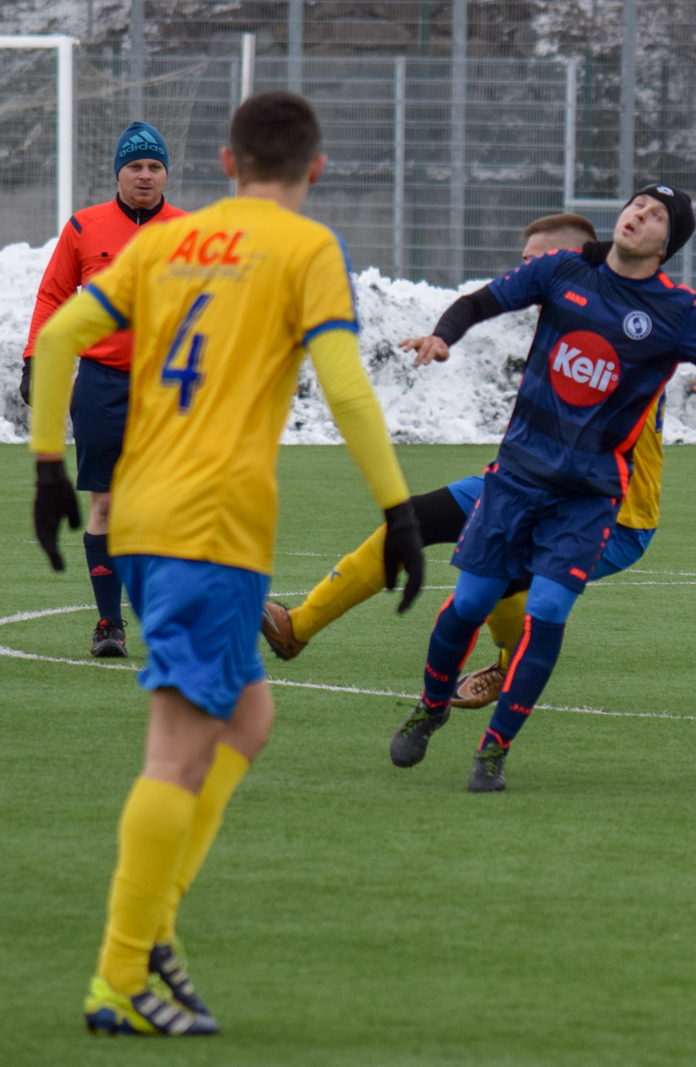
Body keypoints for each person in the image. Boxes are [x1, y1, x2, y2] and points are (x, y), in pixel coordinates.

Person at [29, 91, 423, 1036]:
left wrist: (48, 467)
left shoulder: (167, 241)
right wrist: (397, 507)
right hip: (208, 526)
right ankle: (120, 973)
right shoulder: (306, 248)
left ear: (224, 163)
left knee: (247, 717)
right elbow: (345, 387)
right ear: (315, 169)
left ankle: (153, 932)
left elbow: (60, 336)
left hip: (146, 513)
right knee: (176, 750)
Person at [260, 212, 696, 710]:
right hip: (529, 487)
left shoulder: (626, 325)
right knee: (415, 518)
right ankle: (297, 627)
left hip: (614, 515)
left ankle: (507, 665)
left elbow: (688, 343)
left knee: (502, 570)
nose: (524, 274)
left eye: (534, 262)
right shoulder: (567, 315)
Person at [388, 183, 696, 792]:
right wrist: (442, 335)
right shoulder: (562, 271)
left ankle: (493, 750)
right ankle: (431, 708)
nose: (639, 214)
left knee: (547, 611)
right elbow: (479, 302)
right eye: (638, 204)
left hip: (588, 497)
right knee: (472, 603)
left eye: (656, 215)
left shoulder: (676, 310)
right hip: (515, 478)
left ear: (666, 245)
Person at [21, 122, 187, 657]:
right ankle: (109, 624)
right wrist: (35, 359)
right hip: (102, 384)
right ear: (118, 172)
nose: (145, 175)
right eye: (135, 166)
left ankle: (171, 619)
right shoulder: (84, 227)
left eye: (155, 166)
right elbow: (52, 297)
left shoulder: (192, 233)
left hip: (169, 386)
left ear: (166, 174)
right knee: (107, 505)